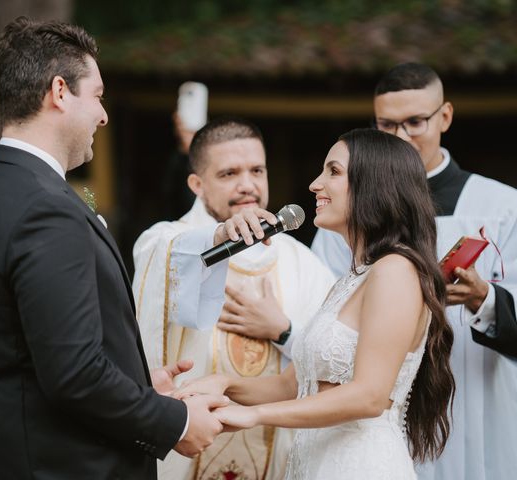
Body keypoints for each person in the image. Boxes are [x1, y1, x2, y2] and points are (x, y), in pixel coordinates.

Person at [0, 17, 231, 480]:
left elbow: (26, 353)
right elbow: (74, 374)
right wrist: (172, 421)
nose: (103, 114)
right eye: (97, 95)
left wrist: (138, 389)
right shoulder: (46, 209)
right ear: (60, 92)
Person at [175, 128, 456, 480]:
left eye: (333, 172)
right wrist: (224, 384)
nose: (314, 184)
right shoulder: (351, 280)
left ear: (375, 184)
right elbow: (291, 385)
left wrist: (255, 416)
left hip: (361, 467)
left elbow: (370, 396)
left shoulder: (396, 271)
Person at [312, 63, 517, 480]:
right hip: (378, 411)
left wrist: (484, 299)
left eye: (415, 122)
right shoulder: (344, 216)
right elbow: (320, 315)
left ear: (444, 117)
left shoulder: (502, 207)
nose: (401, 136)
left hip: (475, 396)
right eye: (387, 124)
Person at [133, 117, 335, 479]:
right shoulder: (168, 241)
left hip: (275, 453)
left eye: (257, 170)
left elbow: (334, 357)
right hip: (183, 458)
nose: (247, 185)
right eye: (229, 174)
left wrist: (283, 330)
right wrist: (218, 236)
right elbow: (163, 260)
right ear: (197, 183)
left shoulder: (302, 262)